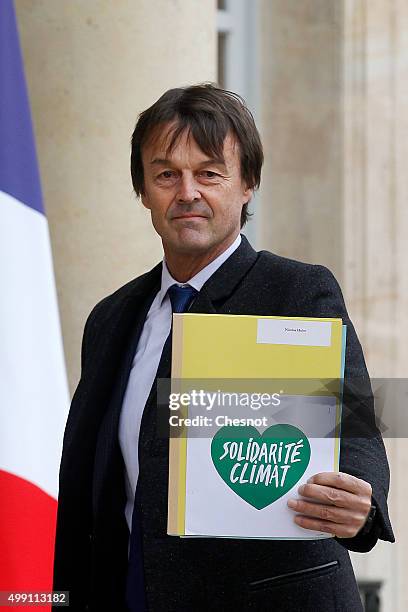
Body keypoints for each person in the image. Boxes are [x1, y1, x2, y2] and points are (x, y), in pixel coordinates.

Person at [53, 84, 394, 611]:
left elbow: (353, 428)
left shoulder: (296, 292)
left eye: (209, 173)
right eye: (166, 174)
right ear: (143, 190)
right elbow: (91, 486)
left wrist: (361, 503)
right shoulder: (111, 318)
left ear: (248, 185)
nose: (187, 192)